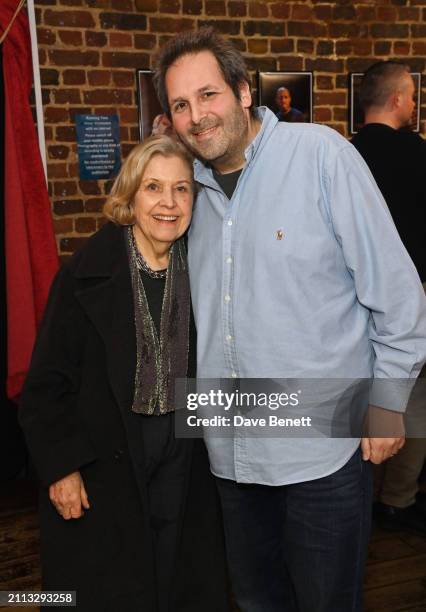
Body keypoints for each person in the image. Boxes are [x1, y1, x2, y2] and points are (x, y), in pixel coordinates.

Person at [153, 28, 426, 612]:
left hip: (322, 448)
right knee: (256, 602)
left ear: (244, 91)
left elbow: (399, 293)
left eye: (208, 95)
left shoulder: (320, 155)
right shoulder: (185, 192)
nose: (197, 116)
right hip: (228, 452)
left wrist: (386, 402)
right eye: (180, 104)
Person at [19, 135, 230, 612]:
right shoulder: (82, 277)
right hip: (104, 457)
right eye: (154, 188)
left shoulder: (205, 272)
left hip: (185, 450)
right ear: (130, 195)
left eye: (181, 190)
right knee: (112, 588)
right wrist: (62, 467)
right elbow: (45, 388)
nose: (168, 203)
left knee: (180, 579)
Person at [352, 61, 426, 536]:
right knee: (413, 397)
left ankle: (358, 492)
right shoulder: (419, 155)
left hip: (354, 296)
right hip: (416, 290)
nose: (415, 106)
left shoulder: (345, 155)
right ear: (398, 99)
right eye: (414, 97)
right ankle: (398, 498)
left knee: (356, 390)